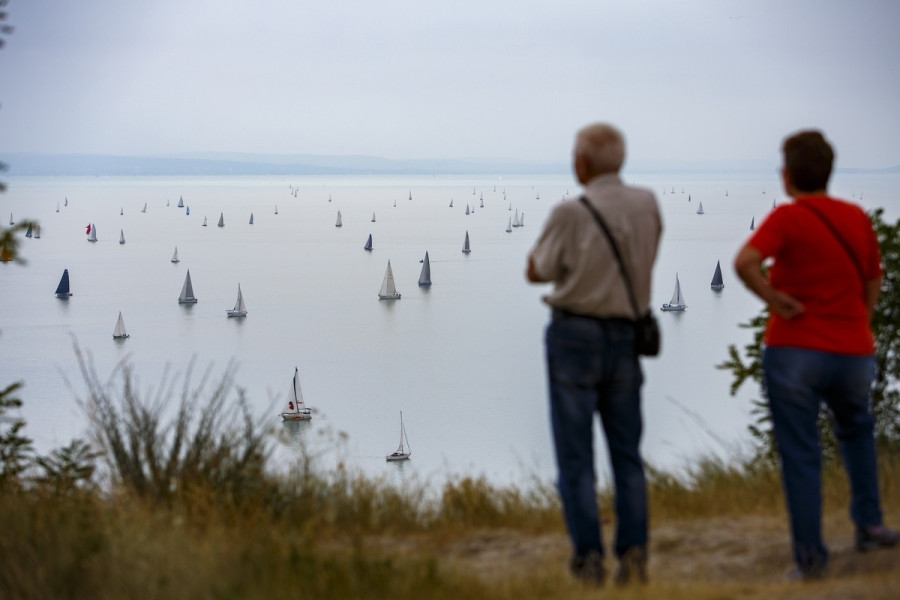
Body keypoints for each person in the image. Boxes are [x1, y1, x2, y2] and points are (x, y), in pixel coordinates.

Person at [734, 130, 899, 579]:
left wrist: (774, 298)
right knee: (857, 433)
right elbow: (873, 279)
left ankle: (810, 559)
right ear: (829, 171)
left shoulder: (788, 218)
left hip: (794, 351)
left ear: (787, 176)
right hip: (851, 351)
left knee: (802, 453)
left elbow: (745, 262)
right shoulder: (856, 218)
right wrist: (859, 321)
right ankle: (869, 525)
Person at [526, 123, 662, 585]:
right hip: (627, 338)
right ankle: (635, 557)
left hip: (574, 338)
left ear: (581, 162)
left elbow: (537, 270)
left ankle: (588, 558)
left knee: (576, 456)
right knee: (627, 453)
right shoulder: (647, 205)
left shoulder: (570, 212)